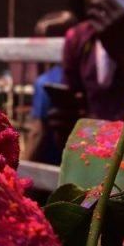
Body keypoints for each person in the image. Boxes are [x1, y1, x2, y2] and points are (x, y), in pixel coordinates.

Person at [23, 11, 78, 165]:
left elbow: (37, 133)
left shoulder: (45, 82)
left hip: (50, 165)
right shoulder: (90, 77)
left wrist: (20, 173)